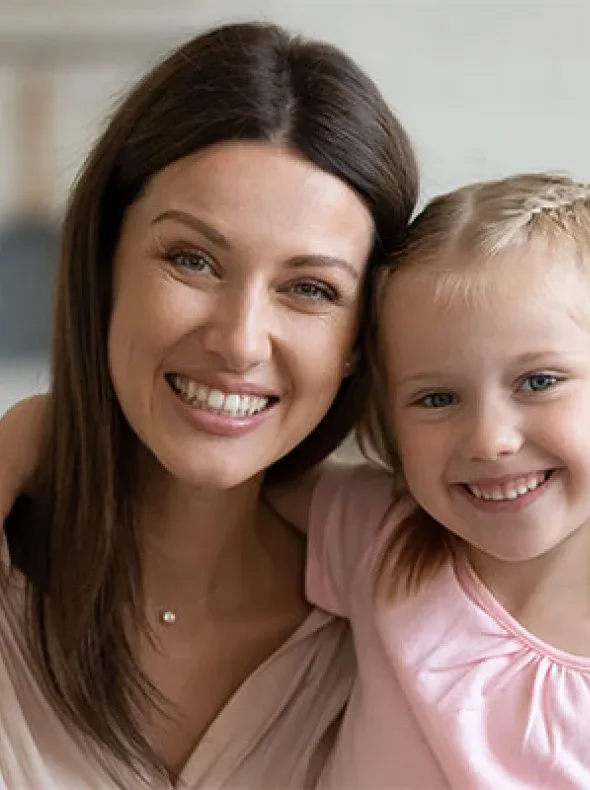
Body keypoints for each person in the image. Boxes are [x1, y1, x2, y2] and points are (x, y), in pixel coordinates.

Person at [0, 20, 418, 790]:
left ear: (361, 339)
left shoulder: (397, 637)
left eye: (310, 289)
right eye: (192, 260)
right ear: (104, 267)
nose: (239, 340)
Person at [269, 173, 590, 787]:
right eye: (436, 398)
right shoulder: (380, 536)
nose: (488, 440)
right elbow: (217, 483)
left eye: (539, 382)